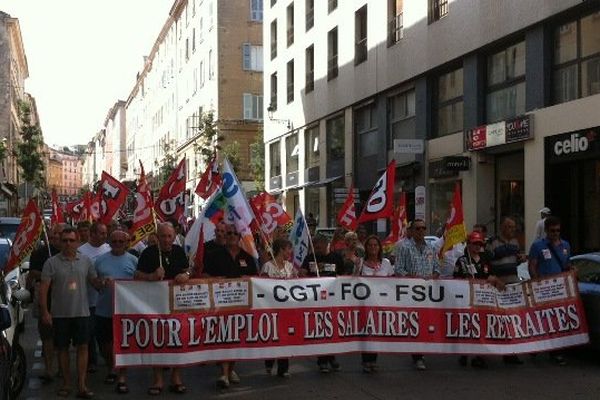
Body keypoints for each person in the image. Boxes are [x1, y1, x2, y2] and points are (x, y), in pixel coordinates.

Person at [39, 227, 102, 399]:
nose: (68, 244)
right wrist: (45, 312)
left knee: (83, 347)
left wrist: (104, 282)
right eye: (65, 240)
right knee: (63, 349)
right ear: (60, 242)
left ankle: (82, 385)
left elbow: (94, 281)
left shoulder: (86, 261)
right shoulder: (51, 263)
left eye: (71, 240)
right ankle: (66, 383)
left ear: (78, 242)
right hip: (60, 315)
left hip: (82, 313)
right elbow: (43, 289)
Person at [135, 222, 190, 395]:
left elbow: (189, 271)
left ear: (174, 237)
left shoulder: (179, 252)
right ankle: (157, 379)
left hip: (178, 306)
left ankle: (176, 377)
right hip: (155, 306)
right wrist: (150, 276)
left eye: (169, 236)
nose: (166, 240)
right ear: (157, 237)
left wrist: (185, 275)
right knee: (157, 341)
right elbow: (136, 275)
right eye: (163, 236)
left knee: (178, 340)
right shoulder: (149, 253)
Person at [204, 224, 258, 388]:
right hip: (219, 304)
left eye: (235, 233)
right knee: (223, 337)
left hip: (241, 304)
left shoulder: (247, 256)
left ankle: (230, 369)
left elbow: (255, 277)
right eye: (229, 233)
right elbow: (204, 274)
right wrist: (214, 279)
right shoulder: (214, 255)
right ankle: (224, 373)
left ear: (240, 237)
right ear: (225, 236)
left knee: (236, 337)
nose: (233, 235)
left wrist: (247, 278)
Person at [94, 230, 138, 393]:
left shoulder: (134, 260)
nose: (118, 244)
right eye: (115, 241)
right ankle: (111, 366)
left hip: (125, 310)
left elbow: (140, 283)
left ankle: (121, 376)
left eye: (121, 241)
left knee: (122, 344)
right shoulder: (100, 261)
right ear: (109, 242)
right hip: (104, 309)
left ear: (127, 243)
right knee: (105, 344)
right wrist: (101, 282)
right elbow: (94, 283)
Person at [454, 231, 505, 369]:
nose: (477, 247)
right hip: (467, 299)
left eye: (480, 244)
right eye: (475, 244)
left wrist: (494, 279)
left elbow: (491, 276)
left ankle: (479, 355)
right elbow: (456, 280)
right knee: (467, 326)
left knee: (480, 326)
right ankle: (464, 353)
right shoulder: (462, 261)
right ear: (469, 244)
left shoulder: (485, 261)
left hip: (483, 300)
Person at [394, 219, 440, 371]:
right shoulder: (404, 247)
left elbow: (437, 268)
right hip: (412, 292)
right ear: (412, 231)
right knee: (415, 322)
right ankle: (417, 355)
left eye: (424, 228)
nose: (421, 231)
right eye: (418, 228)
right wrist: (410, 278)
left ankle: (422, 350)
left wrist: (434, 275)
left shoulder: (431, 248)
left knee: (426, 322)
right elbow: (399, 269)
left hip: (428, 293)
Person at [528, 216, 571, 366]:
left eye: (558, 230)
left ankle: (556, 352)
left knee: (557, 320)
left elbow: (567, 266)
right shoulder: (537, 246)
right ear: (546, 231)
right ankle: (536, 346)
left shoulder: (565, 245)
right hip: (543, 289)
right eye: (552, 231)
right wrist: (536, 281)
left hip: (560, 290)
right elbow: (532, 265)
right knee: (542, 319)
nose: (555, 233)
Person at [26, 223, 66, 384]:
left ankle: (63, 369)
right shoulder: (40, 253)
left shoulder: (69, 253)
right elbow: (33, 273)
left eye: (60, 234)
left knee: (62, 338)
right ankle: (49, 369)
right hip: (46, 300)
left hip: (65, 301)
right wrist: (48, 276)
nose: (57, 237)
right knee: (47, 337)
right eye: (54, 234)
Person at [301, 234, 344, 373]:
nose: (316, 250)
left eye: (318, 247)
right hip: (316, 300)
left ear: (327, 245)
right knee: (321, 329)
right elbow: (302, 273)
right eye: (314, 247)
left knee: (332, 329)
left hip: (333, 299)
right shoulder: (310, 258)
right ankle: (322, 361)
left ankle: (331, 357)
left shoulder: (336, 258)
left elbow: (343, 275)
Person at [487, 216, 526, 365]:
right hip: (498, 286)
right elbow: (487, 262)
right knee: (498, 320)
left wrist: (520, 258)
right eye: (510, 227)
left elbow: (514, 260)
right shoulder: (492, 243)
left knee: (512, 320)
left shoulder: (515, 243)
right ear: (503, 227)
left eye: (514, 227)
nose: (513, 230)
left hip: (512, 286)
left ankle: (511, 353)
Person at [355, 235, 394, 373]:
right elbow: (353, 280)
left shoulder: (386, 263)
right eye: (370, 245)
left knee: (376, 330)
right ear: (366, 248)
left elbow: (392, 281)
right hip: (365, 303)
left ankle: (373, 360)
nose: (373, 248)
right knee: (366, 330)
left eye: (375, 245)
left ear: (379, 247)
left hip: (380, 303)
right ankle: (366, 360)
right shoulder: (360, 262)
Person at [78, 222, 110, 374]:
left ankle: (108, 358)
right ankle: (91, 361)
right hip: (88, 300)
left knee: (104, 334)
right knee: (89, 333)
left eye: (105, 233)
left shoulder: (109, 249)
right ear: (93, 234)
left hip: (105, 301)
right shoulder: (81, 251)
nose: (105, 236)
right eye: (102, 233)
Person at [262, 238, 295, 378]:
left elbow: (295, 283)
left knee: (285, 335)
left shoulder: (290, 267)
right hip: (271, 307)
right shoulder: (268, 266)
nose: (290, 252)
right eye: (288, 249)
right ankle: (269, 361)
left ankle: (283, 367)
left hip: (286, 307)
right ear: (281, 249)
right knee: (272, 334)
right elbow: (261, 285)